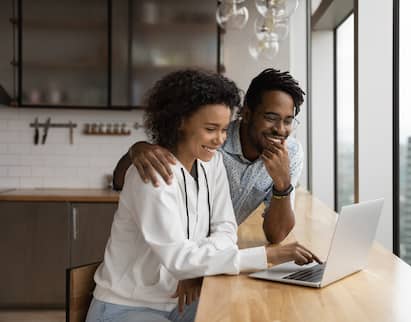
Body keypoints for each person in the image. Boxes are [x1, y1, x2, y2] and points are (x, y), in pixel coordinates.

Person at [86, 70, 318, 322]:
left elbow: (226, 229)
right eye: (211, 129)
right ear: (180, 121)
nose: (220, 139)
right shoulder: (152, 173)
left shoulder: (211, 162)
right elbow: (179, 259)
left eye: (223, 129)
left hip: (180, 301)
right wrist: (269, 256)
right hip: (128, 306)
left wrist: (200, 267)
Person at [113, 68, 305, 244]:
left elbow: (276, 235)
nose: (280, 129)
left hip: (210, 251)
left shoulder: (291, 153)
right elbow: (120, 180)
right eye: (271, 118)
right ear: (246, 113)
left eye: (288, 121)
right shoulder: (208, 144)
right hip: (181, 249)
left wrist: (283, 185)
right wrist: (137, 149)